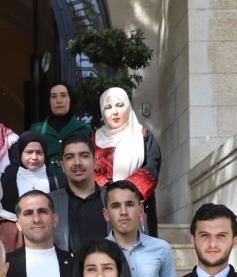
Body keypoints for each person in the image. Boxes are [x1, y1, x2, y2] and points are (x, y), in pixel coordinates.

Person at [92, 88, 161, 233]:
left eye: (119, 105)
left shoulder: (143, 137)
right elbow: (89, 171)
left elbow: (151, 167)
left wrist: (125, 191)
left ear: (128, 107)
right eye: (108, 107)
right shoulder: (93, 140)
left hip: (137, 203)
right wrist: (108, 190)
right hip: (101, 204)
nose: (114, 112)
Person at [104, 180, 176, 277]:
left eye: (130, 204)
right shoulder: (99, 252)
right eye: (116, 206)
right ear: (106, 214)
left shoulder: (161, 248)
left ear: (141, 210)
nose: (123, 212)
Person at [51, 135, 110, 254]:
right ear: (62, 166)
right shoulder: (49, 203)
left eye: (84, 156)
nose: (77, 163)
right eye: (70, 157)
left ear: (95, 162)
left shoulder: (113, 199)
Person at [29, 81, 93, 176]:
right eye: (53, 96)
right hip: (43, 181)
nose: (59, 100)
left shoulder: (85, 129)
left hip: (76, 181)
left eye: (63, 95)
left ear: (70, 99)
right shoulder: (36, 129)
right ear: (49, 101)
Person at [0, 131, 61, 213]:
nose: (34, 157)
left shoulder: (58, 182)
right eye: (29, 152)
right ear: (20, 153)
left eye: (39, 152)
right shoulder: (7, 183)